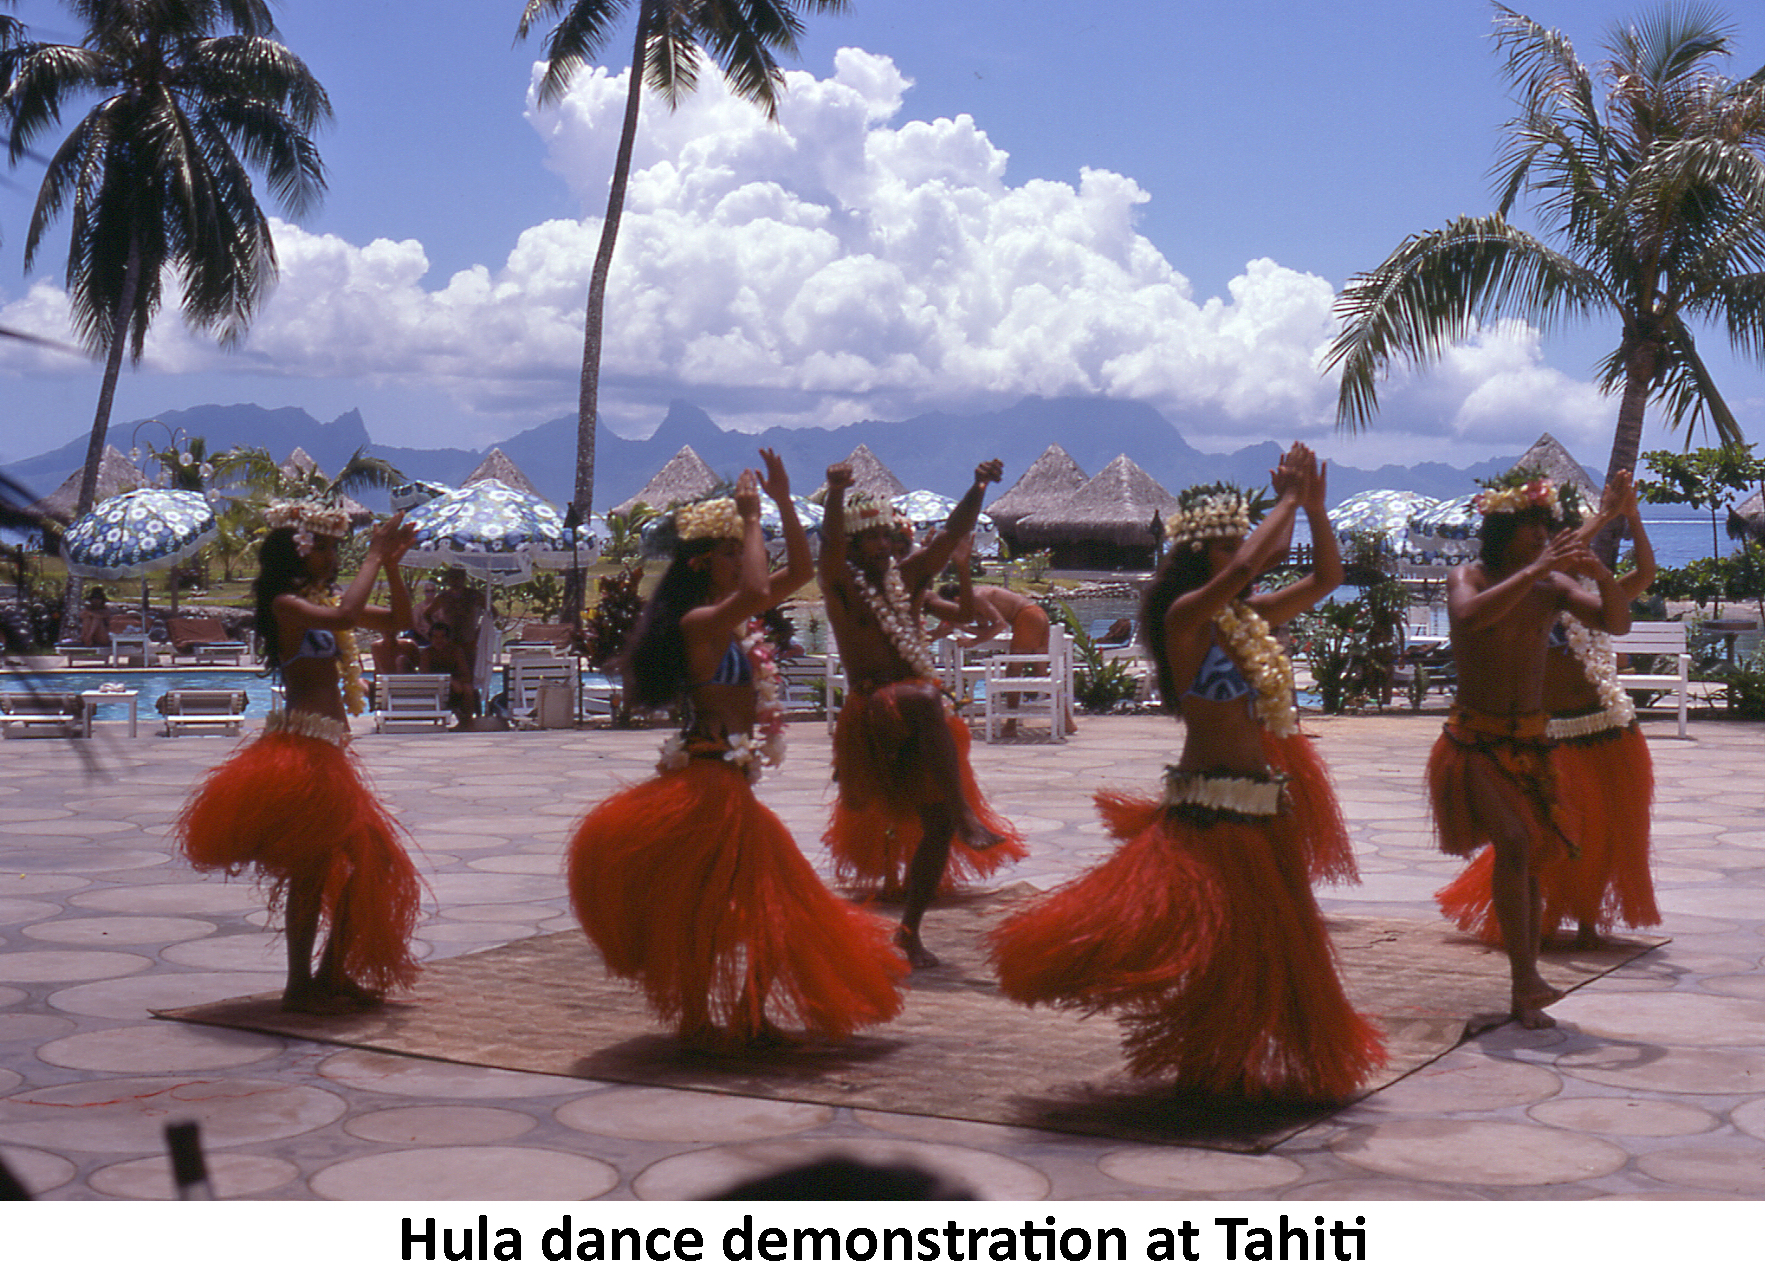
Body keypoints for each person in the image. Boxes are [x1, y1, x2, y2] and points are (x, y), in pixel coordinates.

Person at [989, 445, 1382, 1099]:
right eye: (1229, 548)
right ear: (1204, 558)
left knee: (1265, 949)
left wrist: (1312, 509)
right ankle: (1210, 1067)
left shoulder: (1245, 620)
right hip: (1207, 814)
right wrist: (1285, 502)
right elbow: (1252, 565)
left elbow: (1324, 579)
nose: (1247, 560)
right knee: (1221, 948)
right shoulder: (1187, 621)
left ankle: (1231, 1060)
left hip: (1262, 808)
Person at [565, 452, 905, 1047]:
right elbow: (755, 585)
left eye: (737, 549)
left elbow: (796, 571)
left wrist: (778, 504)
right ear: (703, 564)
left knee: (769, 908)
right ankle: (700, 1019)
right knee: (716, 910)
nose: (742, 560)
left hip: (729, 782)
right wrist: (750, 518)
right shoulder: (701, 621)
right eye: (729, 552)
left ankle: (746, 1012)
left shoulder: (733, 620)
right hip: (705, 784)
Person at [176, 502, 423, 1014]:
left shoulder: (322, 598)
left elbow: (400, 620)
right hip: (303, 753)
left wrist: (393, 566)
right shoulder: (287, 605)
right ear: (299, 551)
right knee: (313, 870)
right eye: (327, 547)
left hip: (329, 747)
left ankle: (329, 973)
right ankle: (299, 984)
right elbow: (348, 617)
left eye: (337, 548)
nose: (335, 557)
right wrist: (373, 555)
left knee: (370, 865)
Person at [1425, 468, 1631, 1028]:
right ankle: (1527, 979)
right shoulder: (1466, 575)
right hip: (1475, 741)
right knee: (1515, 842)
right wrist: (1542, 568)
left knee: (1531, 856)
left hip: (1531, 742)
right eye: (1531, 530)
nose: (1542, 539)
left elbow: (1617, 621)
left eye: (1546, 530)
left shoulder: (1550, 587)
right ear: (1500, 531)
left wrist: (1598, 572)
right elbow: (1469, 619)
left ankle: (1523, 986)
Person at [819, 459, 1025, 968]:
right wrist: (836, 496)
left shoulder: (909, 579)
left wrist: (977, 487)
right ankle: (965, 813)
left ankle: (909, 931)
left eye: (888, 538)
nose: (883, 547)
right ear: (851, 544)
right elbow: (825, 550)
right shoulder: (840, 585)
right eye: (870, 540)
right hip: (873, 708)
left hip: (916, 710)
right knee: (929, 699)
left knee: (932, 826)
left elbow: (949, 536)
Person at [939, 571, 1076, 737]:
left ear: (956, 600)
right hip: (1036, 615)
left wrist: (973, 643)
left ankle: (1011, 725)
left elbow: (999, 625)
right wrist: (961, 627)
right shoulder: (974, 601)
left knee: (1013, 672)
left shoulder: (976, 597)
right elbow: (984, 628)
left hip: (1028, 617)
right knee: (1041, 673)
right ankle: (1067, 721)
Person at [424, 568, 483, 724]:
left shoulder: (474, 596)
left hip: (469, 644)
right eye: (452, 577)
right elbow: (427, 614)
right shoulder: (443, 598)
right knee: (451, 681)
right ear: (448, 579)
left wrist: (479, 634)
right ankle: (453, 711)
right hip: (449, 642)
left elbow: (492, 613)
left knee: (469, 682)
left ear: (464, 578)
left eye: (458, 577)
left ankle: (469, 717)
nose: (455, 580)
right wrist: (438, 633)